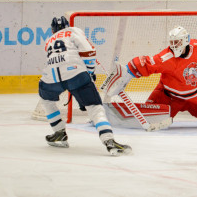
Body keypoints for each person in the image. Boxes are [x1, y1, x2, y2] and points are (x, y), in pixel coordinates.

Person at [38, 16, 132, 156]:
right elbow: (88, 52)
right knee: (95, 108)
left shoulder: (48, 41)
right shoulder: (73, 31)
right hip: (76, 73)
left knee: (46, 100)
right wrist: (90, 73)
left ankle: (59, 132)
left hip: (50, 78)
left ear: (52, 30)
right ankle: (109, 141)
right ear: (67, 25)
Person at [104, 25, 197, 121]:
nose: (173, 46)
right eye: (172, 42)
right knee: (151, 117)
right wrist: (125, 74)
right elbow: (145, 63)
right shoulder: (166, 58)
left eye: (177, 42)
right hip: (170, 97)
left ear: (185, 41)